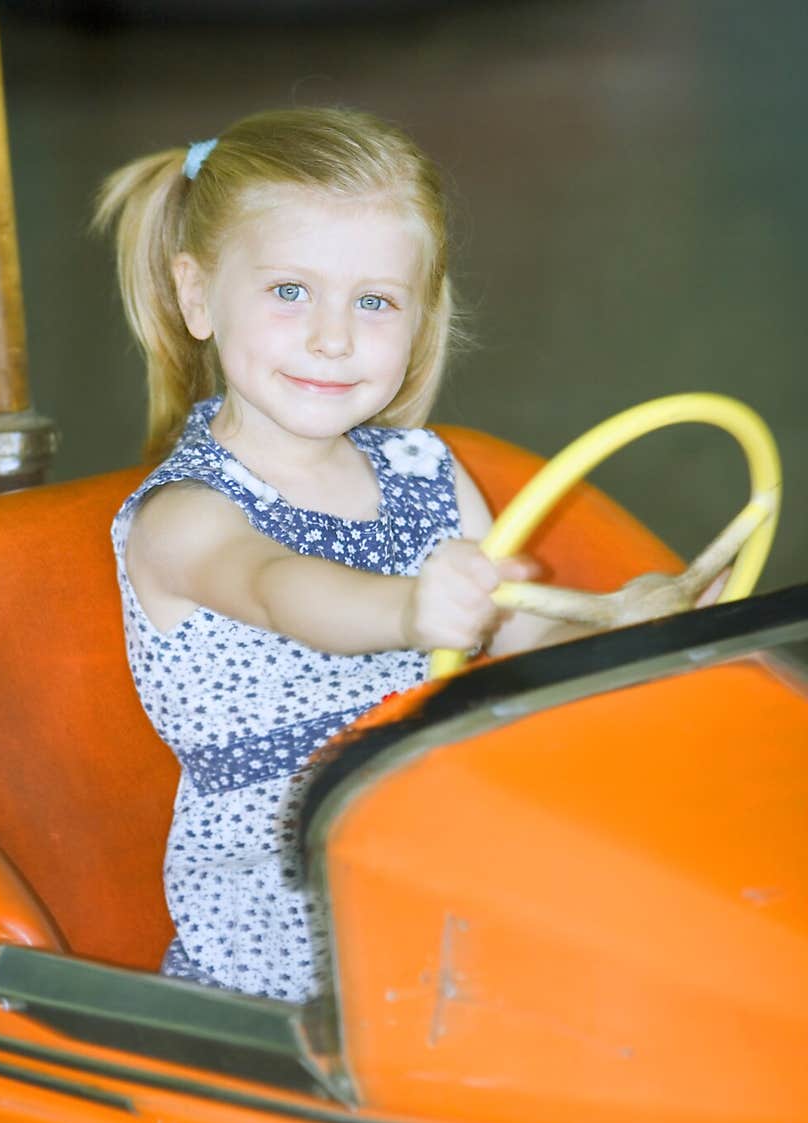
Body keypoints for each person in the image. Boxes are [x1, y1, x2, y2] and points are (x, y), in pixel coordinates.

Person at [97, 106, 559, 1005]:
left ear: (421, 317)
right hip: (298, 897)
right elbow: (281, 592)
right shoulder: (186, 518)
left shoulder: (425, 469)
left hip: (436, 831)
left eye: (375, 301)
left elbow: (519, 632)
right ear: (197, 297)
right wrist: (408, 611)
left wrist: (633, 615)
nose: (333, 337)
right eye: (289, 291)